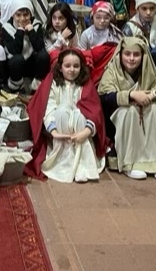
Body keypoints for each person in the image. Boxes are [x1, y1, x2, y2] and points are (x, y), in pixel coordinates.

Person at [98, 37, 156, 180]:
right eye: (127, 54)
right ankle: (130, 162)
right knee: (131, 111)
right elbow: (104, 98)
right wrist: (131, 95)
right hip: (119, 117)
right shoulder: (112, 71)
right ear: (120, 54)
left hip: (146, 113)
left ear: (143, 56)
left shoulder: (148, 70)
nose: (131, 58)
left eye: (136, 54)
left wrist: (154, 96)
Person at [38, 50, 107, 183]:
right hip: (60, 131)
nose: (72, 70)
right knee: (62, 110)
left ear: (81, 67)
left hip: (81, 132)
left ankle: (82, 165)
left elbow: (94, 112)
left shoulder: (86, 85)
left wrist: (85, 132)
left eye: (76, 66)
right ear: (60, 67)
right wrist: (54, 132)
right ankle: (64, 161)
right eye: (67, 66)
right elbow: (48, 108)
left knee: (79, 114)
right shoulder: (53, 84)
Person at [2, 0, 49, 94]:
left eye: (26, 15)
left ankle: (36, 86)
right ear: (13, 15)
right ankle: (15, 87)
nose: (22, 19)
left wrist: (31, 32)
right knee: (17, 59)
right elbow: (15, 51)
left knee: (43, 55)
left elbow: (40, 47)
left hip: (31, 63)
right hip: (15, 66)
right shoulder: (7, 28)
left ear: (31, 14)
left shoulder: (37, 25)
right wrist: (20, 31)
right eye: (18, 15)